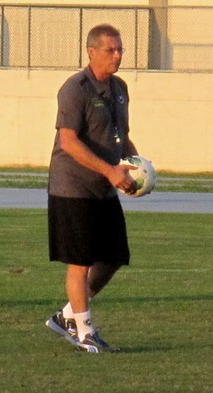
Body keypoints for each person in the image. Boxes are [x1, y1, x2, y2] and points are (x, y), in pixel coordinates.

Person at [45, 24, 138, 353]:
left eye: (120, 49)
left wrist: (136, 166)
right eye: (111, 50)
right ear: (91, 52)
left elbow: (121, 136)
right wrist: (110, 171)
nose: (117, 55)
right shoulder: (75, 88)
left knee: (113, 257)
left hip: (105, 186)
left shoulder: (121, 88)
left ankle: (67, 316)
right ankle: (84, 332)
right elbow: (68, 142)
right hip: (73, 185)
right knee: (80, 261)